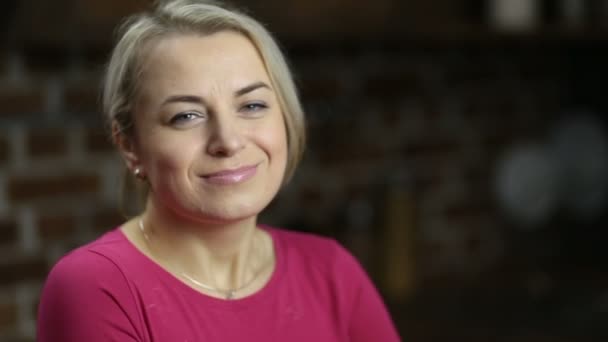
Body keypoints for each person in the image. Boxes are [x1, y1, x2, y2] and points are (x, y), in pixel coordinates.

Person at [37, 0, 401, 341]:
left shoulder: (331, 269)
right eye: (186, 116)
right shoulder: (95, 286)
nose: (228, 140)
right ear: (129, 146)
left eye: (253, 105)